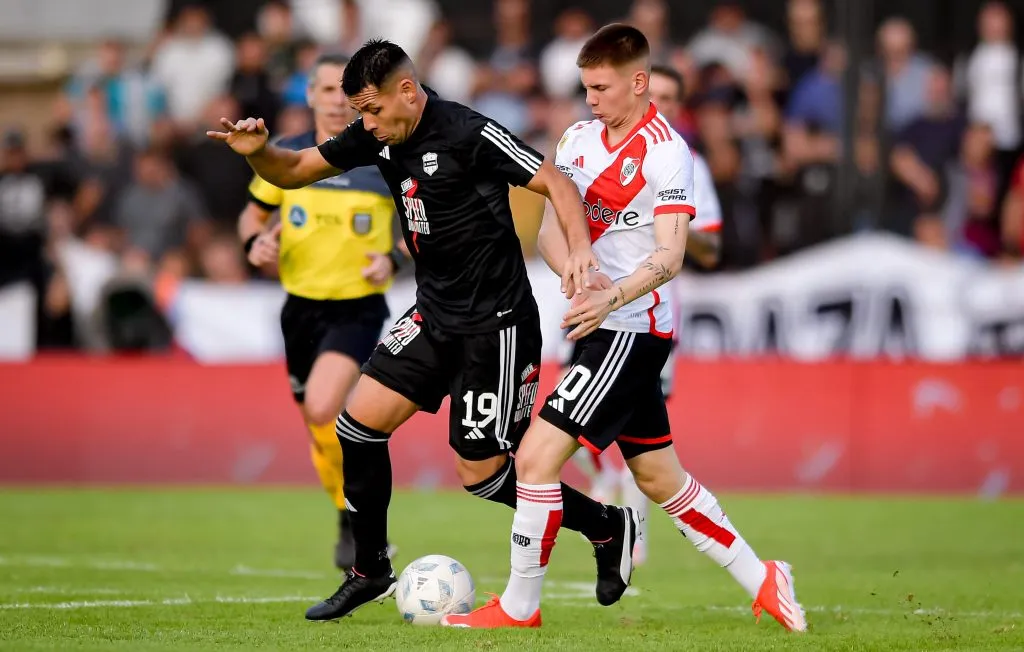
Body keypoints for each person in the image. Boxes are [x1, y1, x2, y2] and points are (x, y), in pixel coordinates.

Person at [208, 38, 638, 623]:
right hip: (432, 315)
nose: (365, 124)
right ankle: (369, 570)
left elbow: (557, 185)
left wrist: (580, 253)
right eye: (360, 112)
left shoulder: (468, 132)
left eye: (374, 111)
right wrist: (256, 153)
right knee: (356, 427)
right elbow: (294, 170)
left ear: (407, 92)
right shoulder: (376, 131)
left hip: (497, 326)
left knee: (482, 476)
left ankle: (607, 524)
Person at [442, 24, 806, 632]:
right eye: (585, 87)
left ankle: (518, 607)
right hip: (600, 322)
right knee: (660, 476)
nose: (591, 100)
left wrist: (609, 296)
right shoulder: (578, 139)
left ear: (638, 82)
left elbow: (670, 257)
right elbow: (550, 229)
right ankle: (763, 577)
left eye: (602, 87)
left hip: (633, 330)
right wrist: (575, 271)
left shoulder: (667, 152)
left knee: (534, 459)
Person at [238, 52, 403, 571]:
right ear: (309, 96)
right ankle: (345, 516)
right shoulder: (285, 155)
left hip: (356, 308)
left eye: (344, 90)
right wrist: (253, 246)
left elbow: (423, 222)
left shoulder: (382, 158)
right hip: (299, 310)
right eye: (326, 89)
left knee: (323, 407)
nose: (336, 100)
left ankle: (360, 525)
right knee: (317, 422)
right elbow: (253, 216)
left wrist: (395, 259)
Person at [563, 61, 724, 567]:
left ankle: (632, 533)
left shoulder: (682, 160)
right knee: (606, 432)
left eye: (675, 99)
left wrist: (671, 222)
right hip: (593, 305)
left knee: (632, 444)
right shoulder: (589, 144)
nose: (666, 106)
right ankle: (620, 515)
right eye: (663, 96)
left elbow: (709, 251)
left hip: (649, 314)